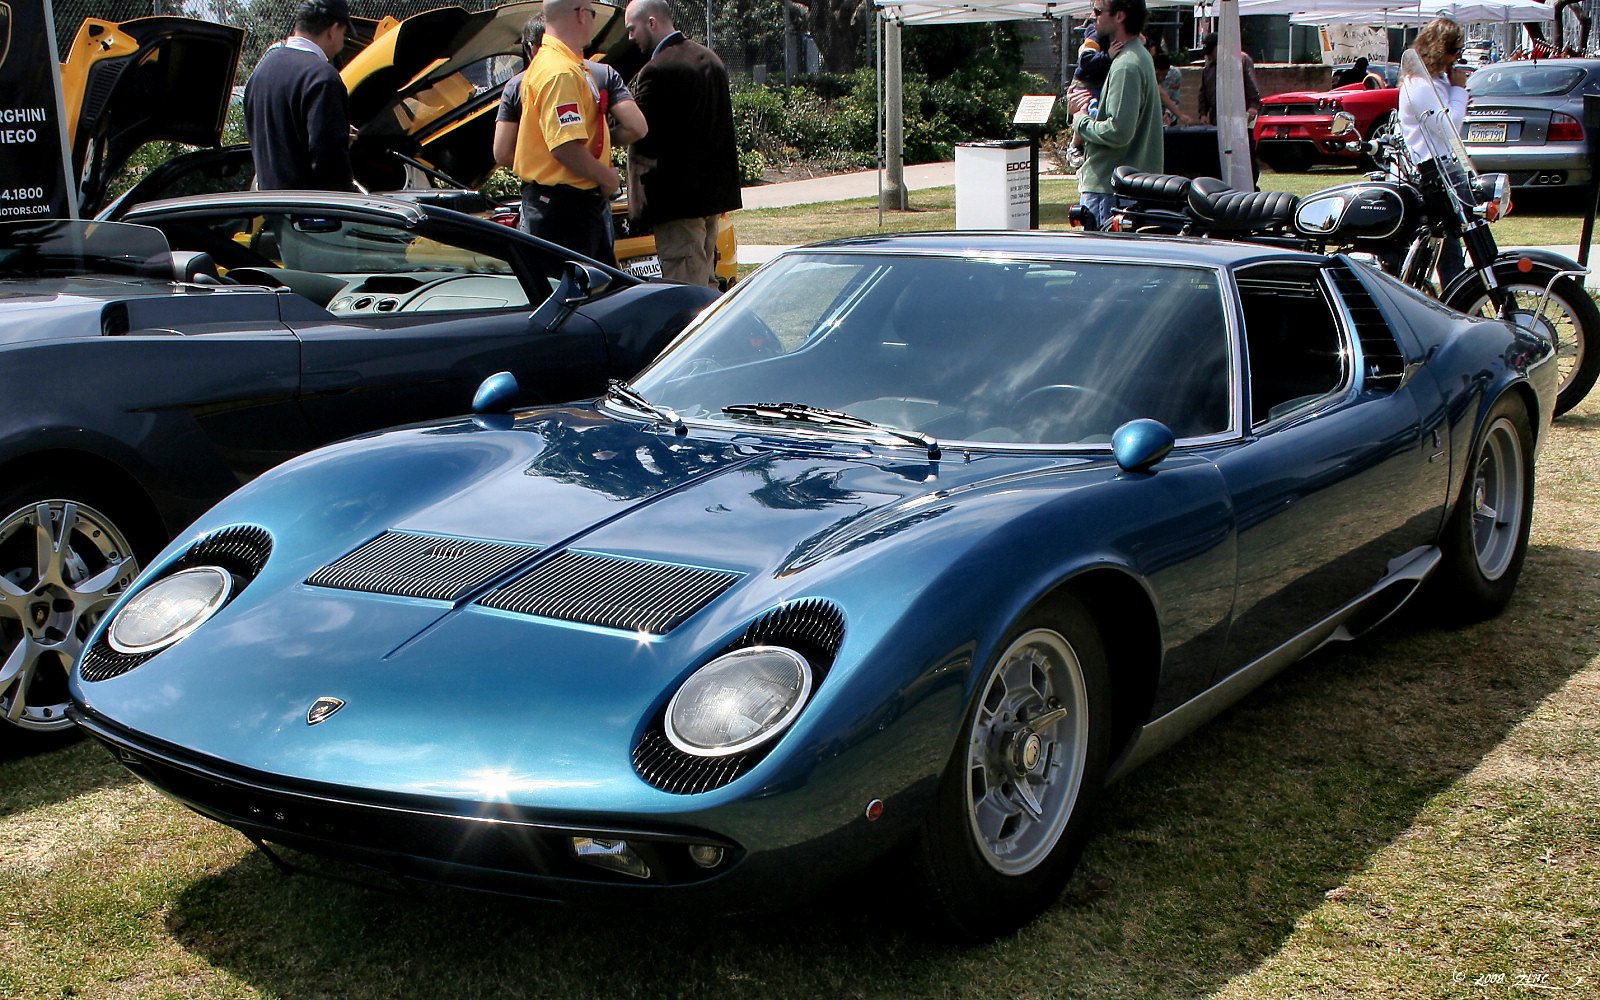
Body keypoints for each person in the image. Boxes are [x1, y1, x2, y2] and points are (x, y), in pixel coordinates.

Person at [622, 0, 741, 288]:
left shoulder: (657, 70)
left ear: (651, 23)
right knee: (708, 282)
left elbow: (641, 132)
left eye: (631, 29)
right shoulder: (711, 59)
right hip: (710, 197)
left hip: (676, 203)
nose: (630, 37)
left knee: (686, 286)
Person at [513, 0, 619, 265]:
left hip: (563, 209)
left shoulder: (559, 63)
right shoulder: (560, 71)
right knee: (583, 300)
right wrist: (607, 178)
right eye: (594, 14)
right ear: (582, 14)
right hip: (565, 213)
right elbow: (565, 147)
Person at [493, 16, 647, 172]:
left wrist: (542, 168)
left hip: (543, 191)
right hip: (594, 183)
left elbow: (502, 153)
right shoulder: (604, 74)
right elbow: (636, 127)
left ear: (531, 47)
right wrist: (601, 143)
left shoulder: (517, 85)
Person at [1069, 0, 1163, 231]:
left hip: (1110, 191)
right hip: (1128, 188)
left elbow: (1118, 131)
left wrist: (1079, 120)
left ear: (1120, 16)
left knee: (1100, 265)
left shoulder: (1125, 66)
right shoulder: (1139, 56)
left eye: (1099, 11)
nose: (1093, 16)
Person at [243, 0, 356, 191]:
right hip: (310, 212)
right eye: (344, 34)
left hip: (271, 210)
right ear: (333, 29)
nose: (342, 42)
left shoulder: (261, 72)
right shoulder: (323, 77)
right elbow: (328, 161)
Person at [1400, 17, 1470, 286]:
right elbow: (1448, 125)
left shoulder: (1437, 80)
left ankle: (1464, 295)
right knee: (1449, 251)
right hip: (1430, 173)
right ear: (1441, 49)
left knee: (1458, 244)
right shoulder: (1418, 84)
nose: (1456, 59)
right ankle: (1457, 300)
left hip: (1447, 170)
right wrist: (1460, 92)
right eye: (1454, 51)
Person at [1197, 31, 1260, 129]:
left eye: (1211, 52)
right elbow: (1203, 93)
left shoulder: (1241, 60)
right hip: (1216, 117)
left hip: (1238, 115)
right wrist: (1203, 113)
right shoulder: (1209, 69)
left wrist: (1253, 107)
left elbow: (1251, 85)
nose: (1209, 56)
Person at [1153, 49, 1191, 126]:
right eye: (1158, 75)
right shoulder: (1148, 73)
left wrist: (1169, 114)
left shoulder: (1175, 75)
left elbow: (1174, 98)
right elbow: (1161, 94)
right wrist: (1180, 115)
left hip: (1169, 114)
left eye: (1164, 75)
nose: (1161, 78)